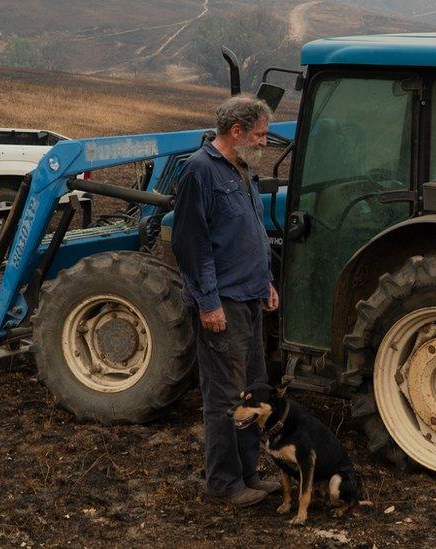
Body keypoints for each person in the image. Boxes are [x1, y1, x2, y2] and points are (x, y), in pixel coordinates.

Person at [171, 94, 281, 507]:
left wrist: (267, 281)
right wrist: (208, 302)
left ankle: (248, 473)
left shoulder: (241, 168)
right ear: (236, 131)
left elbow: (250, 232)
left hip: (251, 298)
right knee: (225, 396)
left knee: (252, 392)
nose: (263, 142)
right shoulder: (200, 172)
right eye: (258, 135)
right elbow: (191, 245)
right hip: (225, 304)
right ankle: (223, 483)